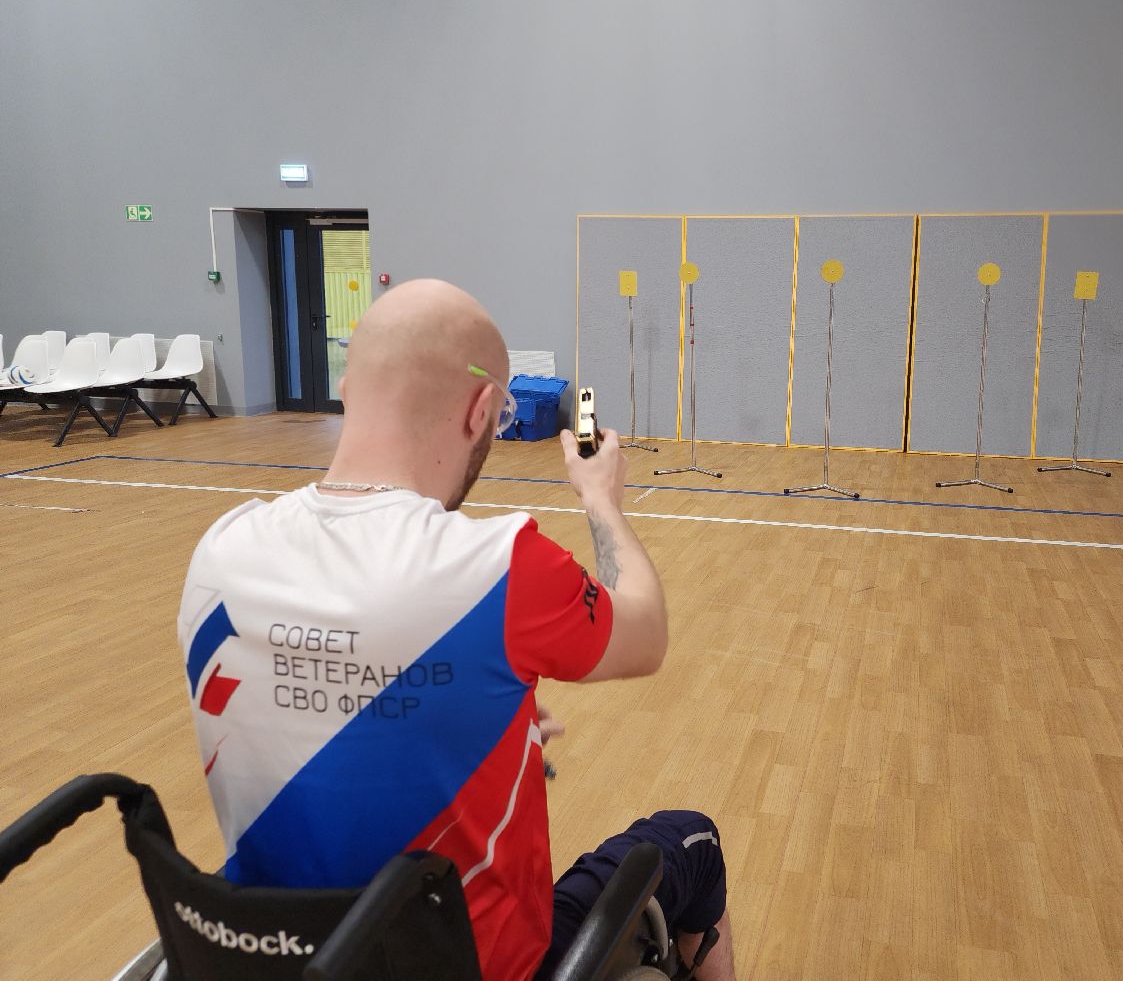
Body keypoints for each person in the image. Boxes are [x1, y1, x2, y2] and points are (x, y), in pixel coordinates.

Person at [176, 279, 735, 980]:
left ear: (349, 383)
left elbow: (320, 687)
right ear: (480, 409)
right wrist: (601, 500)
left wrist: (474, 712)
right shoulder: (498, 567)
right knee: (695, 842)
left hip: (278, 959)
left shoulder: (221, 551)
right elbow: (644, 631)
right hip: (468, 966)